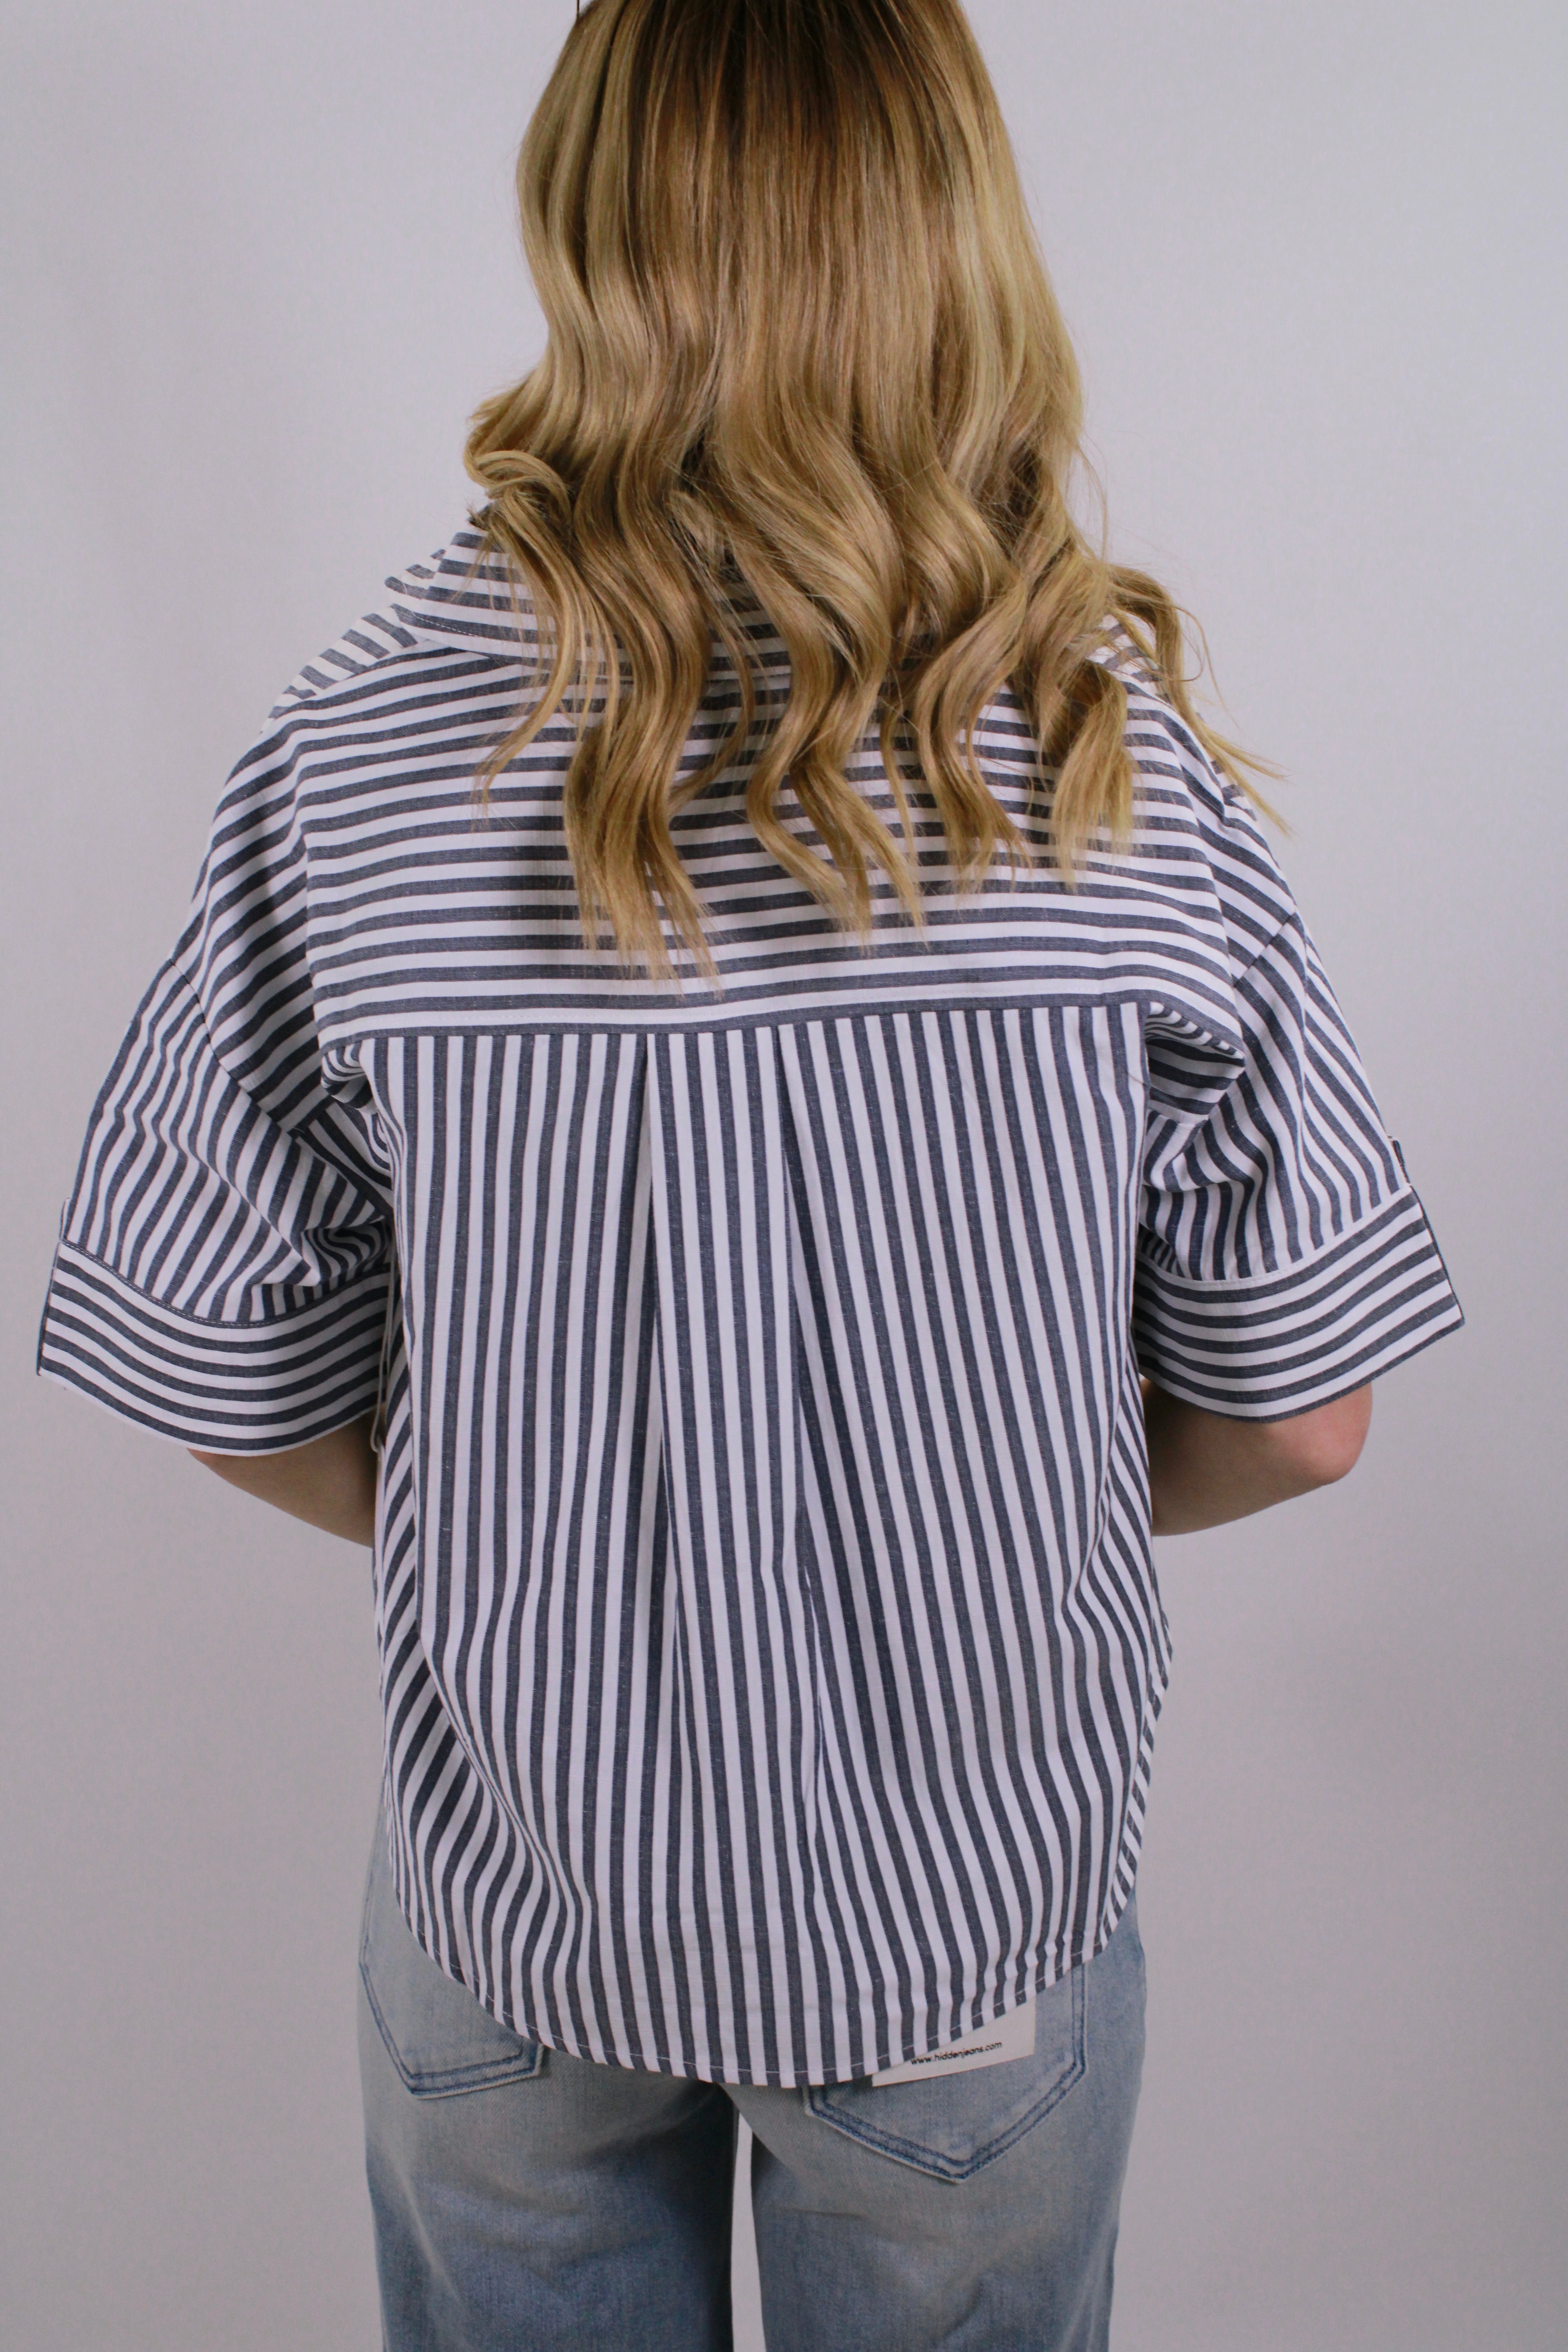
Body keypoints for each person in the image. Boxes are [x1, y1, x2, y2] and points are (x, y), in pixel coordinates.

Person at [35, 2, 1465, 2346]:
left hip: (519, 1905)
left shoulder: (356, 754)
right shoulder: (1110, 770)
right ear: (952, 238)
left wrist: (549, 1543)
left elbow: (212, 1365)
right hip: (959, 1926)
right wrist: (982, 1515)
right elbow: (1306, 1413)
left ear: (586, 226)